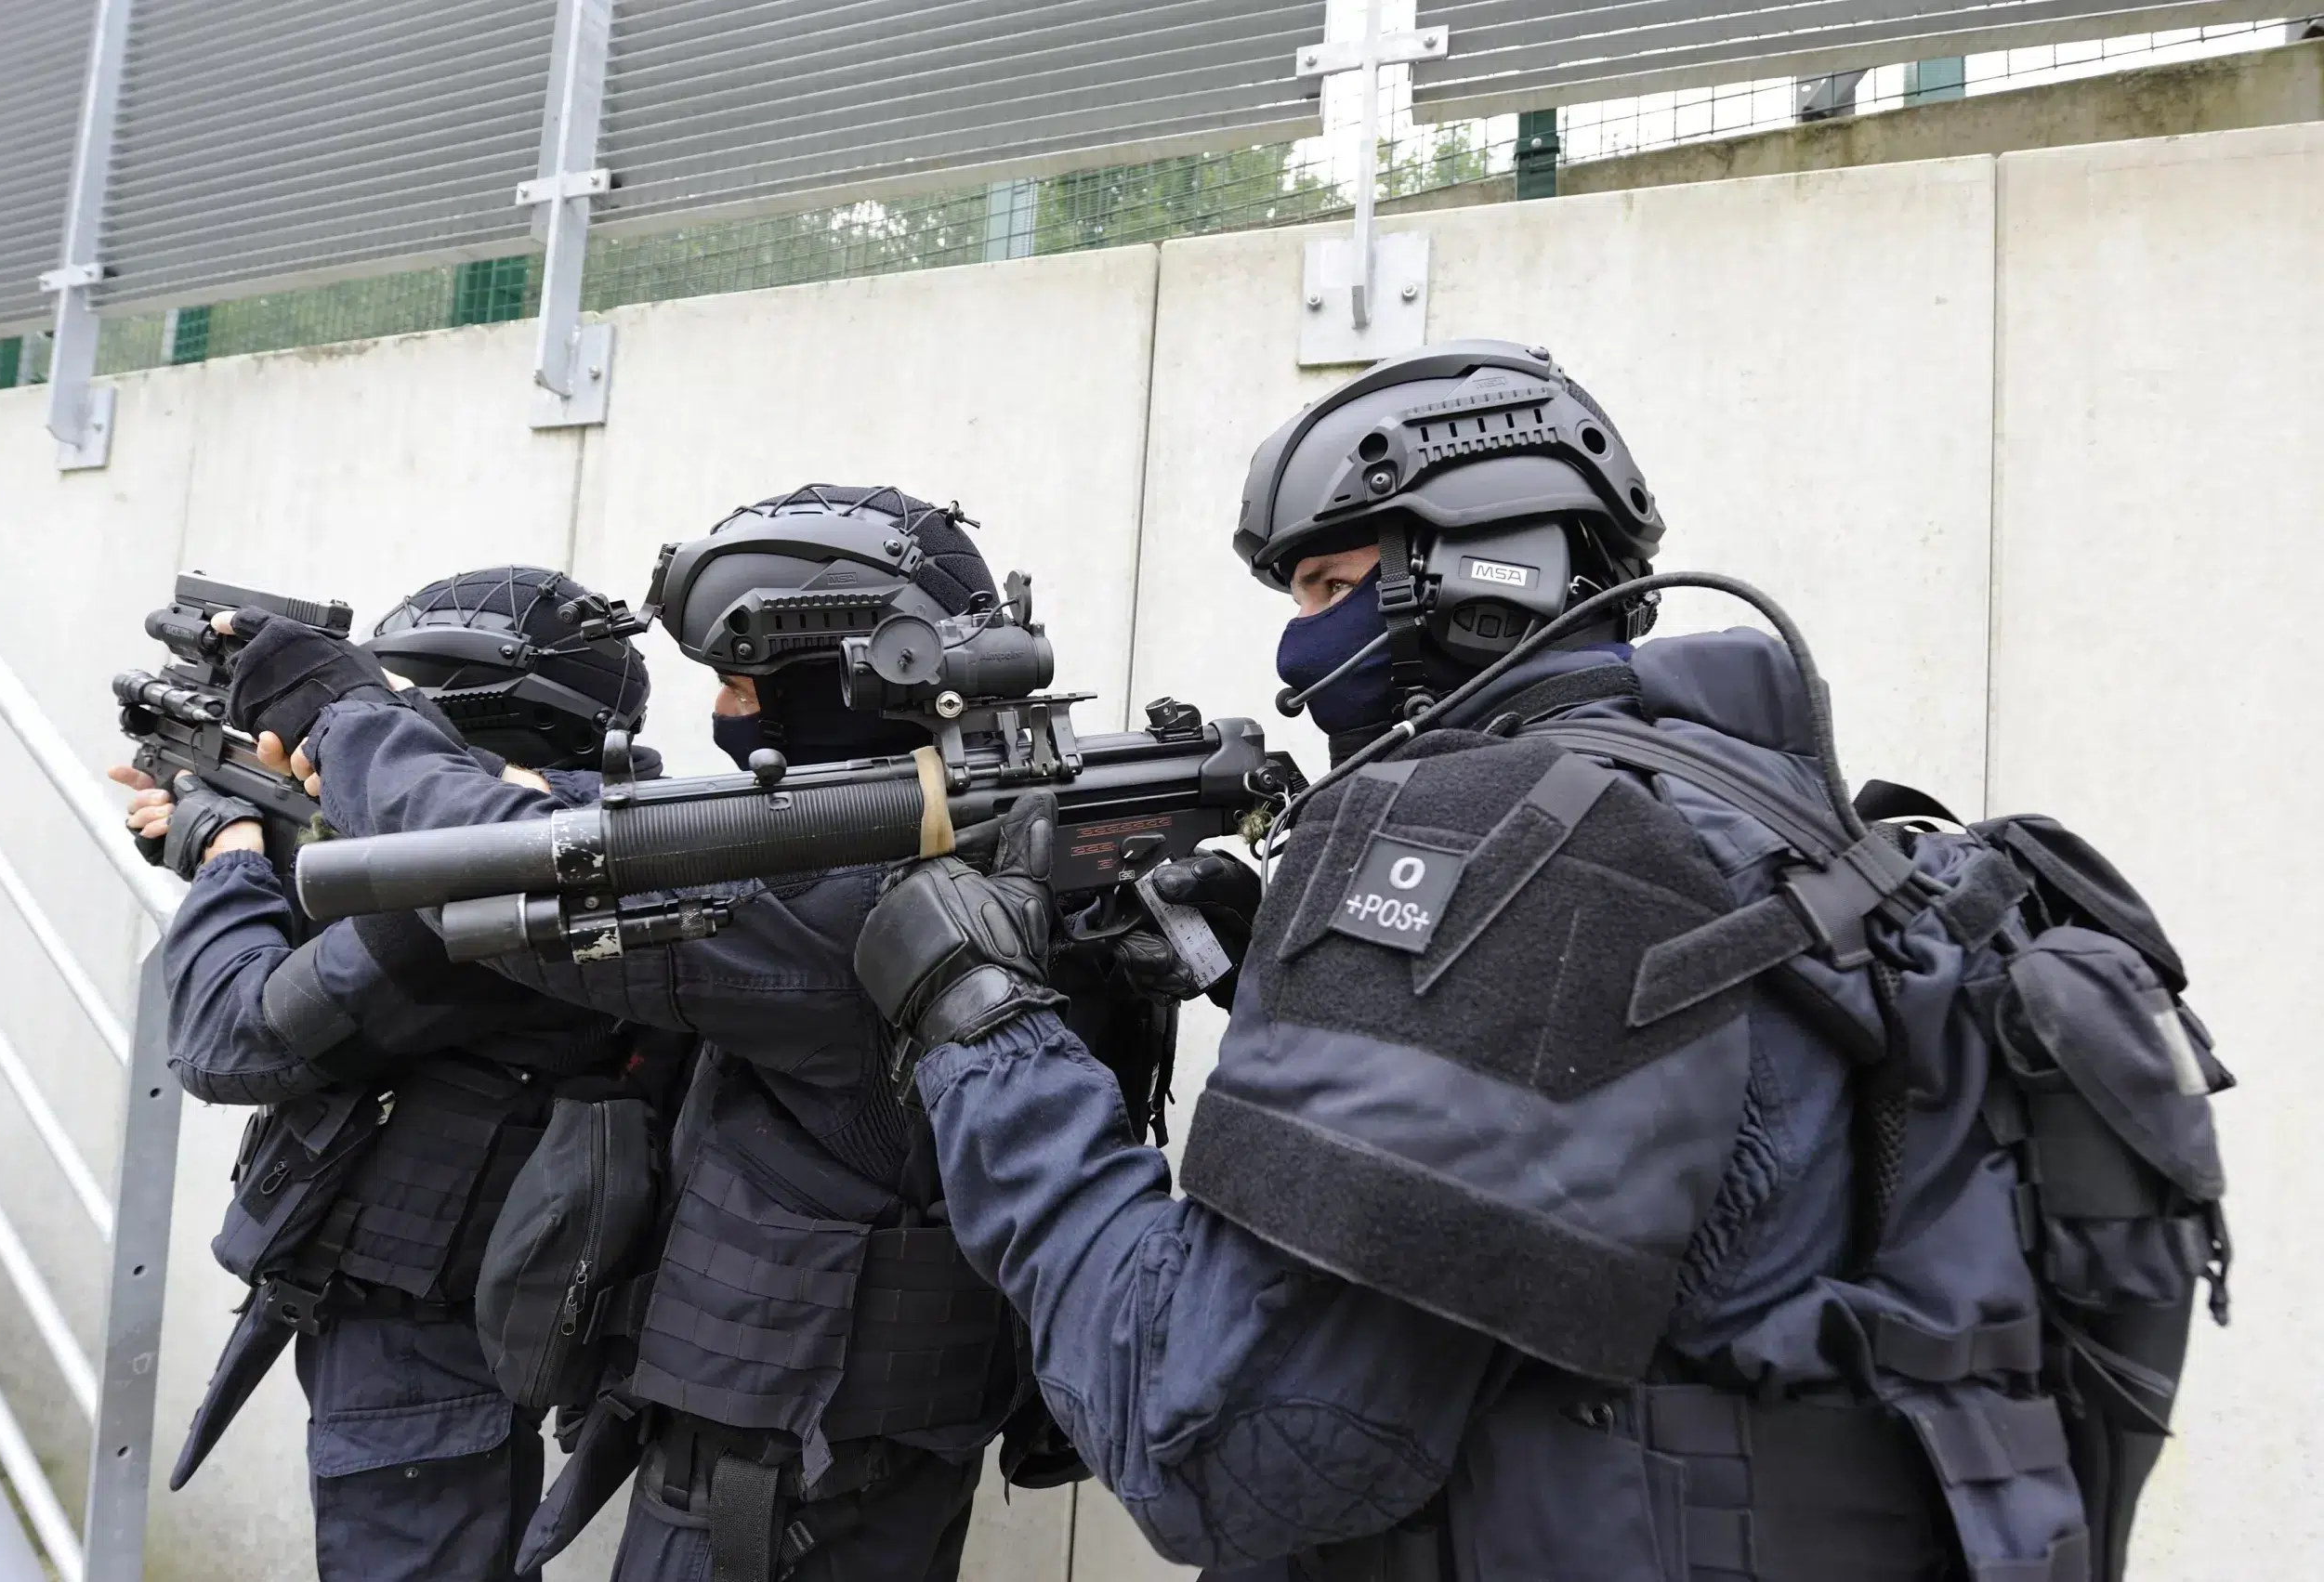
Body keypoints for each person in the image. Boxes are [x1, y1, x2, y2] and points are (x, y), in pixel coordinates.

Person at [848, 342, 2147, 1581]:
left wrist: (983, 1029)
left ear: (1478, 574)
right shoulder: (1760, 811)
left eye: (1326, 583)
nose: (1298, 642)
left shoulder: (1518, 851)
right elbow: (1625, 1101)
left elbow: (1222, 1438)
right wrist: (1290, 980)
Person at [237, 489, 1118, 1582]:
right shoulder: (1012, 838)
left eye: (744, 683)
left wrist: (348, 720)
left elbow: (504, 860)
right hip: (859, 1453)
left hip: (768, 1486)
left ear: (853, 671)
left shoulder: (851, 898)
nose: (724, 714)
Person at [123, 566, 662, 1582]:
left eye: (410, 709)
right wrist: (263, 849)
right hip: (456, 1317)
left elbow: (230, 1038)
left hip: (421, 1344)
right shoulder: (610, 830)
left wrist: (228, 855)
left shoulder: (482, 894)